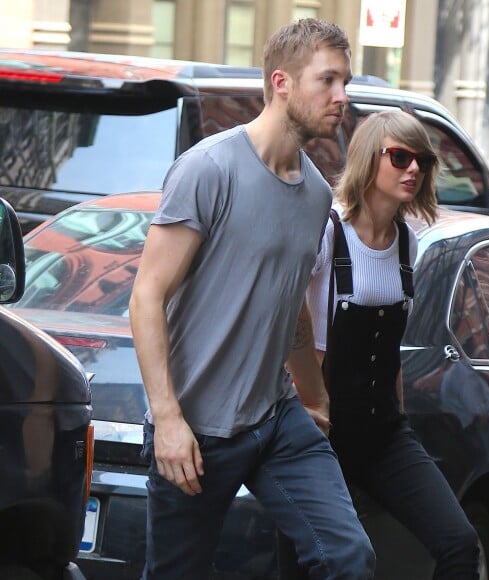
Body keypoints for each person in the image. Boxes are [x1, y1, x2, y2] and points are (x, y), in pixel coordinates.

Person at [128, 18, 375, 580]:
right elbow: (146, 297)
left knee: (347, 557)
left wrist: (316, 399)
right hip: (197, 429)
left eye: (346, 82)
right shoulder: (209, 168)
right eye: (329, 80)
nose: (342, 98)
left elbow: (290, 308)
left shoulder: (315, 192)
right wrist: (167, 419)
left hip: (276, 418)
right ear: (281, 82)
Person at [283, 110, 480, 578]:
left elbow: (389, 348)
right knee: (316, 562)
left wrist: (399, 414)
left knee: (459, 542)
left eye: (422, 161)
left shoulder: (409, 243)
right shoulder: (328, 232)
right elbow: (287, 316)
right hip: (320, 433)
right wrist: (306, 403)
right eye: (399, 156)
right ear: (369, 160)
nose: (412, 169)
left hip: (385, 432)